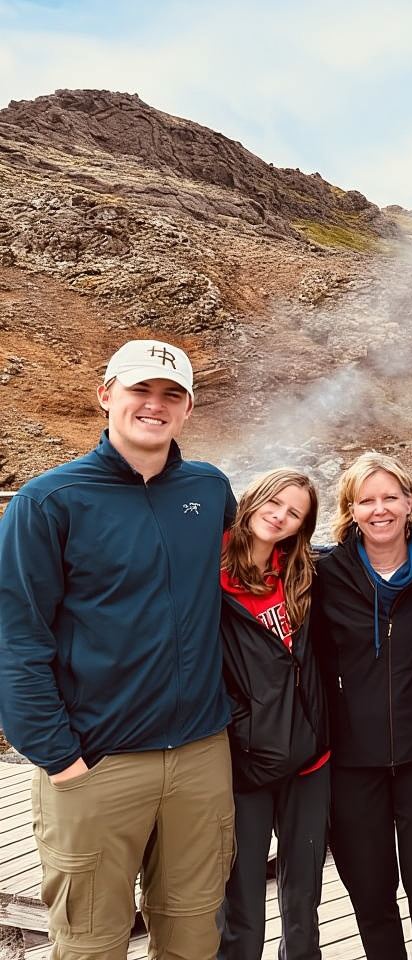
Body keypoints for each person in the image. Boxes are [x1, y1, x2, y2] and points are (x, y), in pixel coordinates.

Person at [0, 339, 236, 959]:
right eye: (140, 390)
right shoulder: (49, 502)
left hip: (200, 755)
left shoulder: (209, 491)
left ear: (187, 410)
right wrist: (59, 758)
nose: (154, 406)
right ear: (107, 395)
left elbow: (266, 561)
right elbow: (16, 638)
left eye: (171, 395)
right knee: (90, 944)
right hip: (96, 763)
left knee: (193, 935)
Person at [311, 452, 412, 959]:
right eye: (365, 500)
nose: (380, 510)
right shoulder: (324, 573)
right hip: (351, 763)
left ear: (411, 503)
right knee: (371, 898)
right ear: (350, 510)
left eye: (390, 497)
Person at [218, 468, 329, 960]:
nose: (280, 516)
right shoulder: (208, 571)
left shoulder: (302, 573)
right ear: (254, 498)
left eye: (294, 513)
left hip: (310, 759)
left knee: (303, 896)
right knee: (240, 897)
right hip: (246, 762)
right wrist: (239, 727)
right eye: (275, 503)